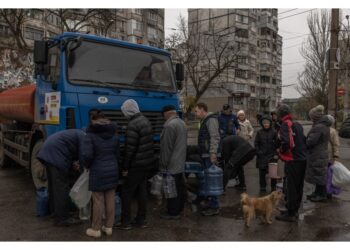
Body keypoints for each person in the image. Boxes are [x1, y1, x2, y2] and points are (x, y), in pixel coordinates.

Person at [81, 110, 119, 238]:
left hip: (98, 170)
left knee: (97, 200)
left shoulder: (90, 135)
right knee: (110, 198)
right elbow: (117, 154)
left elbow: (87, 155)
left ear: (93, 120)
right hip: (113, 169)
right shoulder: (114, 134)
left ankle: (96, 229)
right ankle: (108, 227)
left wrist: (86, 165)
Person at [118, 99, 155, 230]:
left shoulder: (132, 125)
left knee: (126, 192)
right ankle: (141, 220)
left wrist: (125, 167)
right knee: (142, 191)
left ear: (128, 111)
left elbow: (129, 150)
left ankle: (126, 222)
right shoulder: (146, 121)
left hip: (136, 165)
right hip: (146, 163)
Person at [37, 129, 84, 227]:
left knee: (54, 187)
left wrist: (74, 164)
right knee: (61, 188)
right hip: (55, 155)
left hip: (48, 152)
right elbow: (83, 155)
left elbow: (70, 150)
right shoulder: (84, 136)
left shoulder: (77, 133)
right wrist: (83, 168)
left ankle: (55, 212)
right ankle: (62, 218)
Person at [275, 104, 307, 222]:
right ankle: (294, 209)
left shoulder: (285, 124)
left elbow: (286, 143)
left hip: (293, 160)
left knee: (291, 187)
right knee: (299, 186)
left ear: (280, 114)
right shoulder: (297, 124)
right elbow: (304, 140)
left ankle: (290, 213)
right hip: (302, 159)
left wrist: (280, 151)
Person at [159, 105, 187, 220]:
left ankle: (172, 212)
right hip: (180, 162)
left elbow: (166, 149)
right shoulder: (181, 123)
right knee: (179, 188)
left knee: (171, 190)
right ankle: (179, 208)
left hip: (171, 165)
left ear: (166, 114)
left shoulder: (169, 126)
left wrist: (163, 165)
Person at [194, 102, 221, 216]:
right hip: (205, 155)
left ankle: (214, 206)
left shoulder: (211, 120)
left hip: (209, 155)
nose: (195, 113)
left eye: (196, 111)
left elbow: (215, 137)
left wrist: (213, 153)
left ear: (202, 109)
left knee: (212, 180)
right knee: (207, 179)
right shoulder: (204, 120)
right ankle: (210, 202)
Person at [305, 105, 331, 202]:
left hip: (317, 154)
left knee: (319, 175)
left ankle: (322, 194)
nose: (310, 118)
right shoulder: (323, 125)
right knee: (318, 174)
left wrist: (305, 140)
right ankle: (317, 192)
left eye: (311, 116)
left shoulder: (319, 127)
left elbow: (310, 141)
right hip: (320, 153)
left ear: (314, 117)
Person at [254, 115, 278, 193]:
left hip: (272, 155)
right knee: (262, 173)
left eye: (267, 123)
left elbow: (277, 144)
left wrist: (275, 154)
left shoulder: (274, 132)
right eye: (264, 123)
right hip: (262, 156)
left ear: (270, 123)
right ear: (262, 124)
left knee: (273, 173)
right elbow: (256, 143)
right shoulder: (259, 132)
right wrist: (258, 152)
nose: (266, 124)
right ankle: (262, 187)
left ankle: (273, 187)